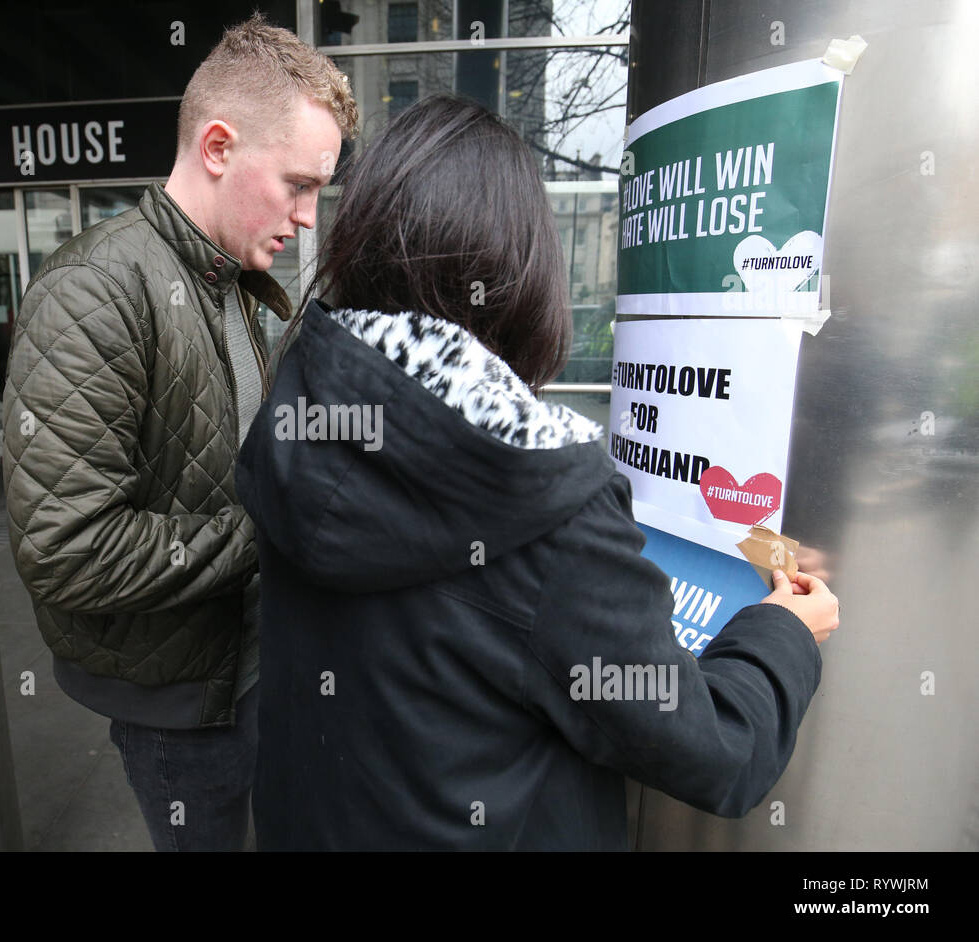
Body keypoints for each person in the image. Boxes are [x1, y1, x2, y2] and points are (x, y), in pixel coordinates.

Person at [235, 94, 841, 851]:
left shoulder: (296, 413)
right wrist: (782, 633)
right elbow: (717, 752)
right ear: (522, 269)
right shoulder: (545, 504)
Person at [1, 13, 358, 851]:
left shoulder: (230, 279)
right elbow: (65, 546)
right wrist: (273, 529)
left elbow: (219, 453)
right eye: (299, 185)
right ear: (219, 147)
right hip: (179, 702)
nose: (309, 217)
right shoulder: (91, 292)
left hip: (251, 664)